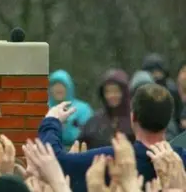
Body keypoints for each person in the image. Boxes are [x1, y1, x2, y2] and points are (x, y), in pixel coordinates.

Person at [39, 83, 186, 192]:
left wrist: (52, 121)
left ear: (133, 116)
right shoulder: (181, 160)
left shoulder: (109, 161)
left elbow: (52, 163)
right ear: (168, 120)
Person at [78, 69, 134, 149]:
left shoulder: (135, 120)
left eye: (116, 91)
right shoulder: (94, 122)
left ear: (124, 92)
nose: (111, 95)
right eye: (107, 91)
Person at [47, 69, 93, 148]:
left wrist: (68, 128)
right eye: (55, 85)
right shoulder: (43, 108)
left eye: (62, 85)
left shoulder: (83, 109)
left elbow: (90, 136)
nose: (58, 88)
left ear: (69, 87)